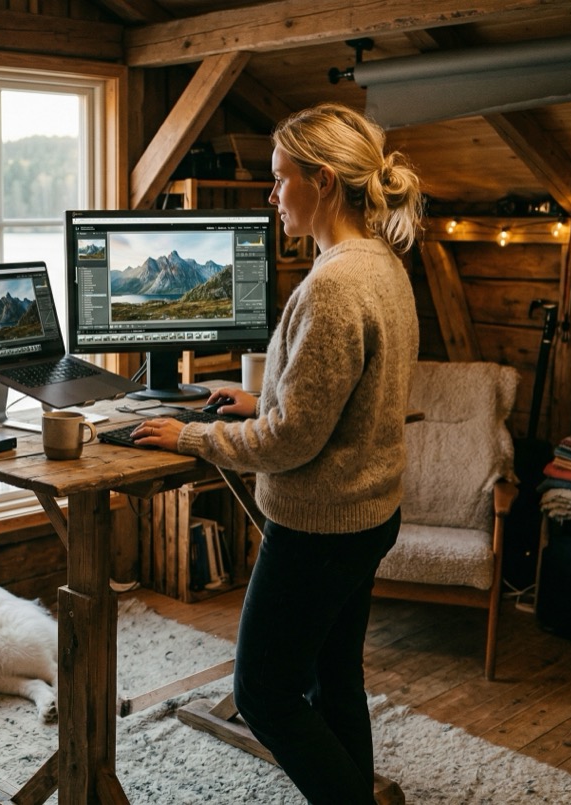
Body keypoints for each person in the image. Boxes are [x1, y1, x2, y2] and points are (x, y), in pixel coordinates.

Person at [130, 102, 423, 803]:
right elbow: (339, 402)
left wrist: (190, 435)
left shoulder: (334, 285)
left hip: (320, 528)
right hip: (369, 514)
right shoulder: (381, 264)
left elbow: (290, 441)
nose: (271, 195)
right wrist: (262, 399)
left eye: (279, 177)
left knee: (263, 692)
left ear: (323, 181)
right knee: (334, 675)